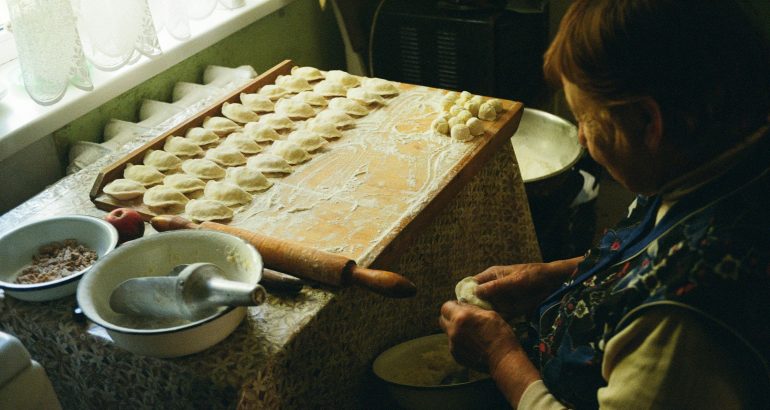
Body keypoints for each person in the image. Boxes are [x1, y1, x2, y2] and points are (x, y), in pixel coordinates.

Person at [439, 0, 770, 408]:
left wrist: (499, 354)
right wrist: (554, 276)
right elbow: (653, 250)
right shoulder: (719, 154)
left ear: (649, 123)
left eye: (587, 120)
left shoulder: (679, 325)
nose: (581, 138)